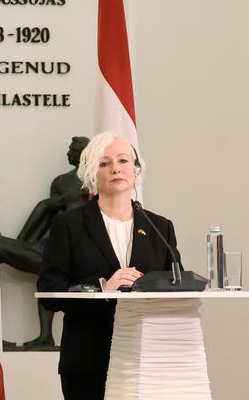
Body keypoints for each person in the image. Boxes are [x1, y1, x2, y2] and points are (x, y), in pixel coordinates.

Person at [37, 131, 181, 400]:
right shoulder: (68, 225)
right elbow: (49, 290)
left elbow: (177, 282)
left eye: (124, 161)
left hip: (148, 358)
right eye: (104, 163)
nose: (116, 168)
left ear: (136, 171)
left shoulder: (160, 227)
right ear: (92, 174)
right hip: (88, 359)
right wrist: (102, 287)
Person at [0, 135, 90, 348]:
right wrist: (24, 243)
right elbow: (47, 215)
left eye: (73, 149)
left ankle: (43, 336)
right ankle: (42, 336)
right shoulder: (61, 182)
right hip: (49, 248)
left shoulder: (95, 183)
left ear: (84, 153)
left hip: (74, 255)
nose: (68, 153)